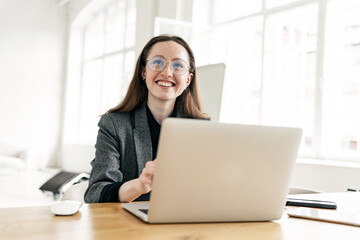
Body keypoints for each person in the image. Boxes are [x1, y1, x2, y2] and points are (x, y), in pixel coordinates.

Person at [84, 34, 209, 203]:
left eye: (178, 65)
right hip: (128, 226)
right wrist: (140, 185)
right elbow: (95, 193)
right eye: (157, 62)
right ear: (144, 71)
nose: (167, 72)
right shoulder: (114, 125)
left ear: (188, 79)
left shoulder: (203, 128)